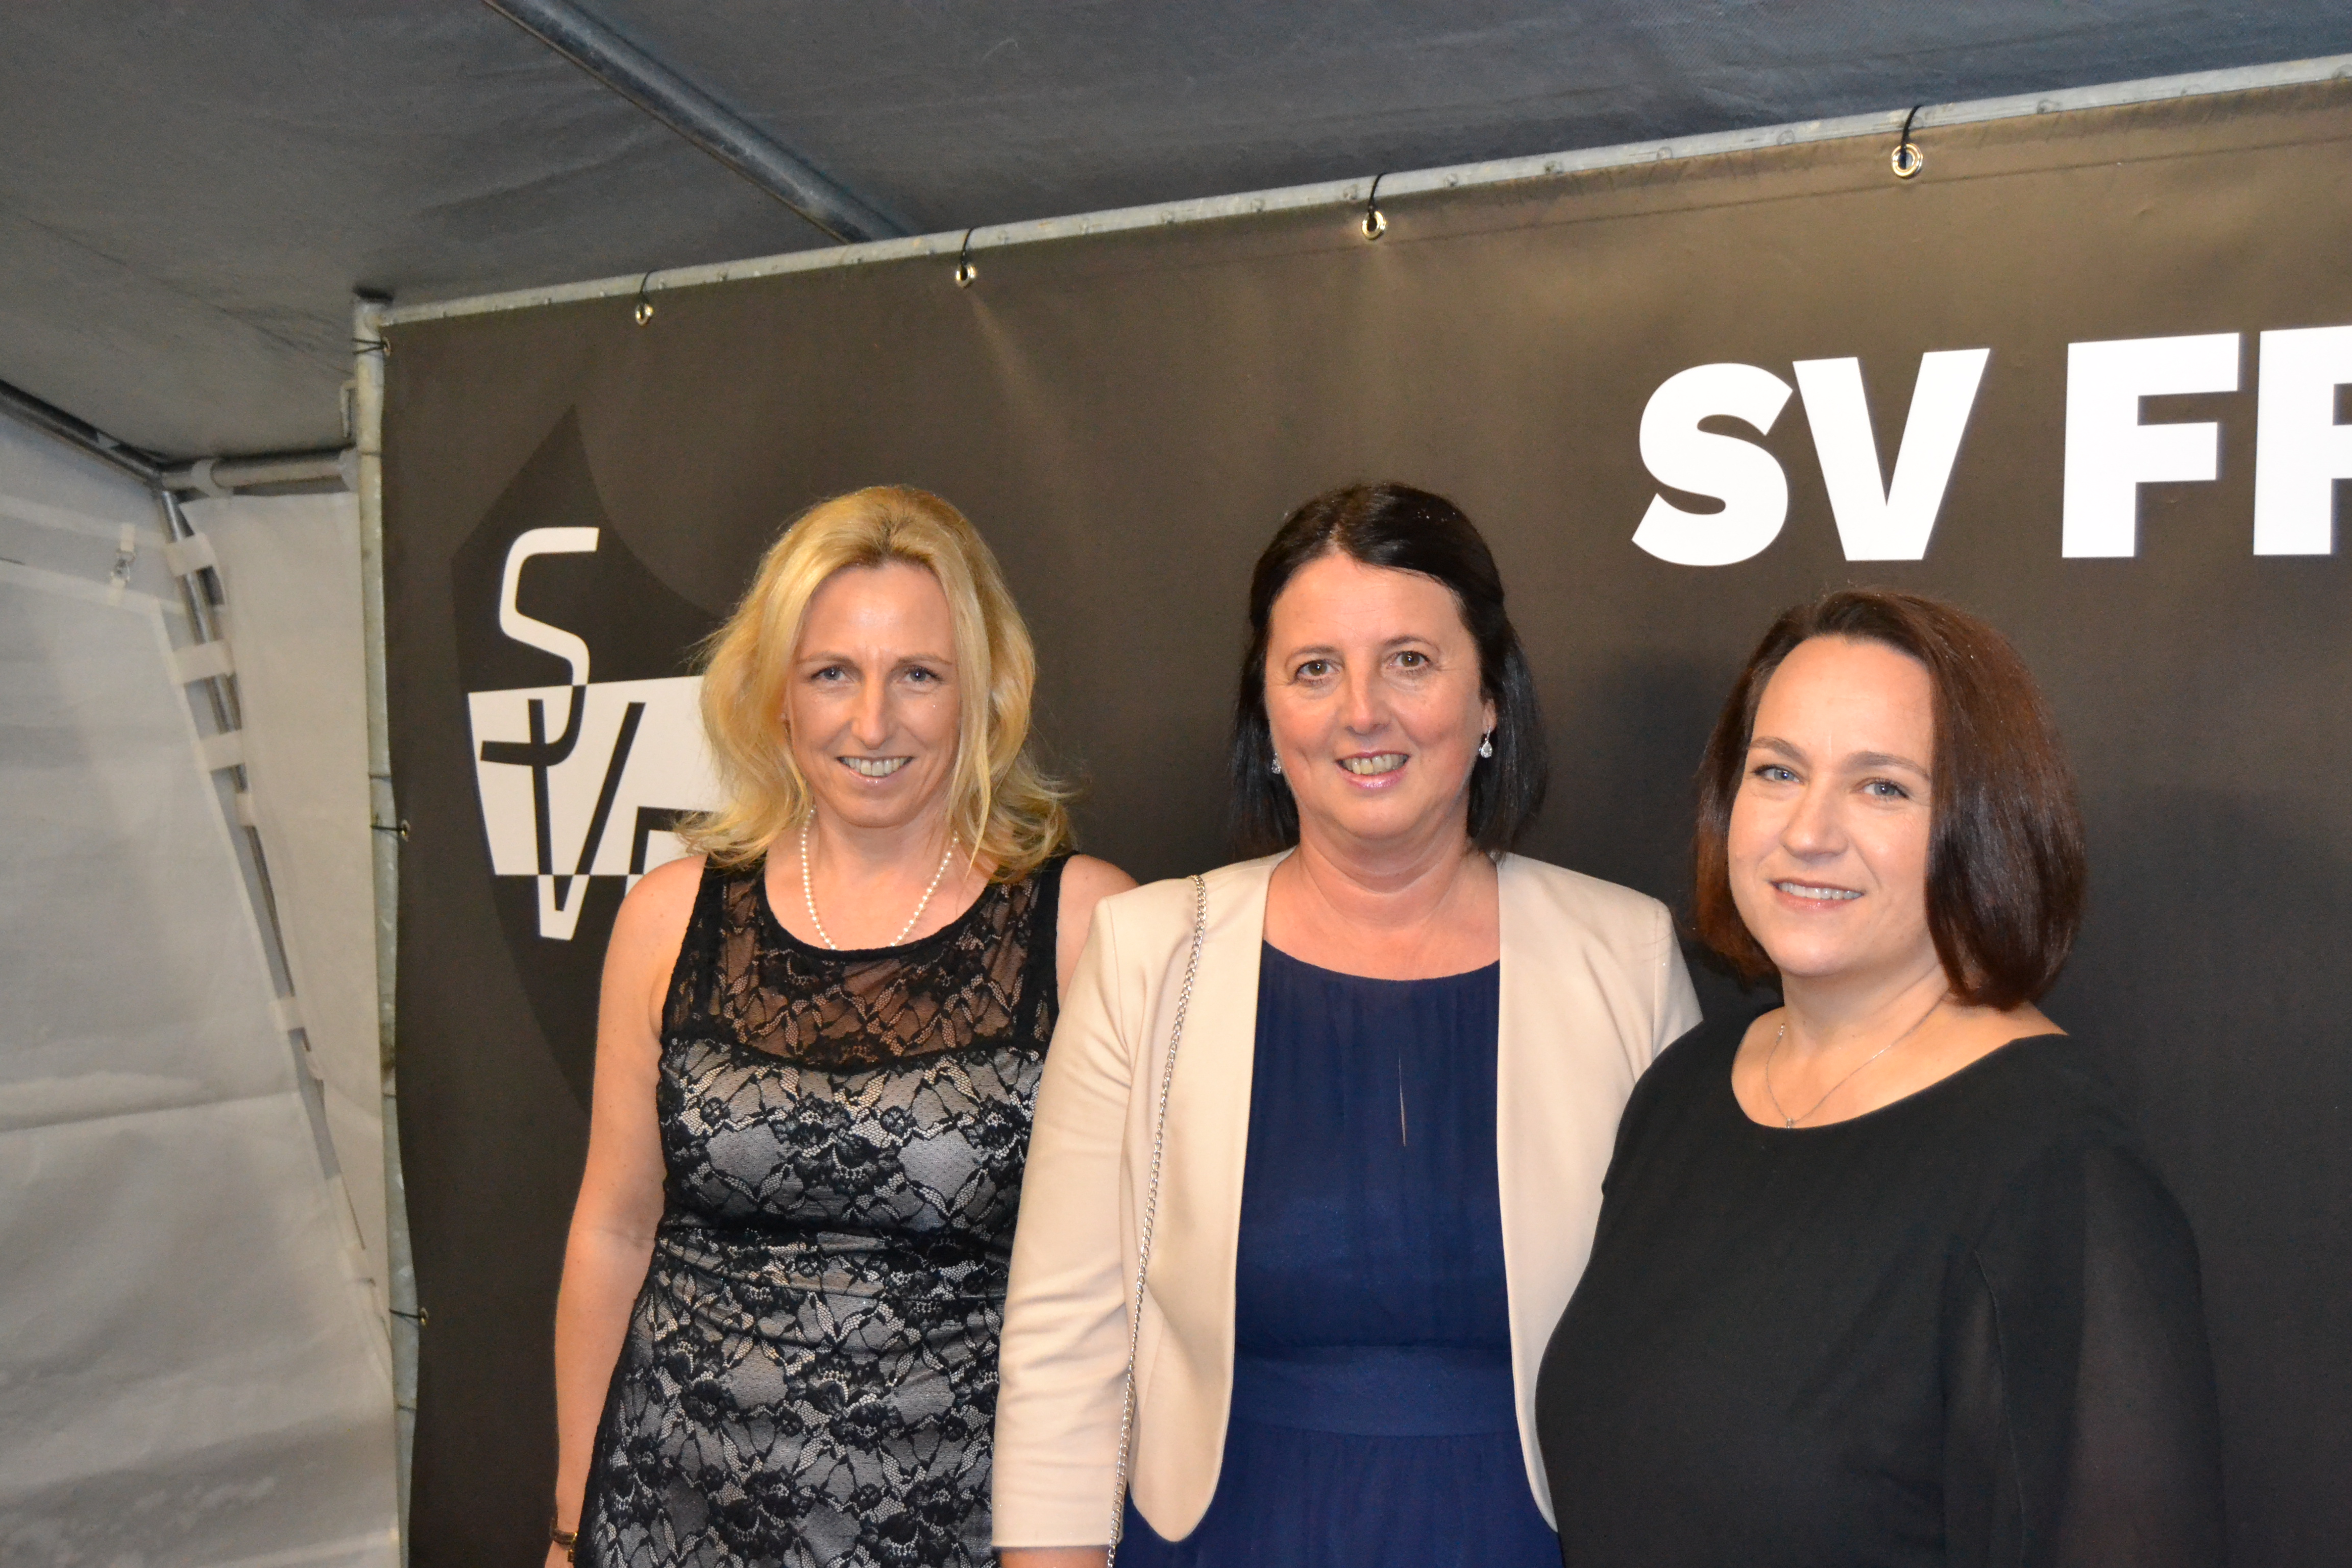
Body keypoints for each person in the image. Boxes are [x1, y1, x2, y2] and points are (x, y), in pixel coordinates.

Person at [992, 483, 1699, 1568]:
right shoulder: (1146, 955)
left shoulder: (1627, 957)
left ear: (1490, 698)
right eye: (1315, 669)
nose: (1362, 712)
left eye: (1410, 661)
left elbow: (1685, 1343)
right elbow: (1061, 1345)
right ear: (1269, 717)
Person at [1536, 588, 2225, 1567]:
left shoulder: (2057, 1173)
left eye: (1883, 788)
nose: (1808, 831)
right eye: (1778, 772)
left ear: (1984, 825)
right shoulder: (1683, 1092)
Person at [546, 486, 1134, 1568]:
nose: (872, 723)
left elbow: (1130, 1295)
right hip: (668, 1518)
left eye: (919, 675)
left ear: (986, 692)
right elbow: (615, 1231)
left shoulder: (1087, 926)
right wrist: (569, 1525)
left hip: (956, 1530)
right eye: (831, 674)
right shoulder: (667, 918)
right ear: (776, 693)